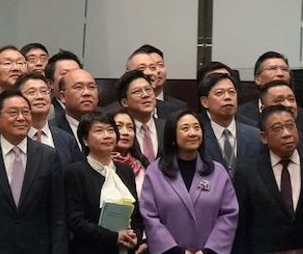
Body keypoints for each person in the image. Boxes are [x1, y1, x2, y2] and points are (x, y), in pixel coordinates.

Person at [0, 88, 67, 254]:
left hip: (38, 247)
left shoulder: (48, 156)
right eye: (13, 113)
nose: (21, 118)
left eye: (25, 112)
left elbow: (58, 214)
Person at [139, 109, 237, 253]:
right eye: (185, 128)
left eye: (197, 128)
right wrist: (176, 251)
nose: (193, 133)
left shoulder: (218, 172)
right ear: (173, 135)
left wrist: (210, 251)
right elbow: (149, 216)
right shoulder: (155, 172)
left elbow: (229, 214)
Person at [233, 105, 303, 252]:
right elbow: (242, 226)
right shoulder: (247, 172)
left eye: (290, 126)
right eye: (278, 128)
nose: (287, 134)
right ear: (264, 137)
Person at [62, 112, 142, 253]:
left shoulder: (125, 170)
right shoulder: (75, 172)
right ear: (85, 140)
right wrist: (114, 237)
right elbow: (75, 220)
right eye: (99, 131)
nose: (107, 136)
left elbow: (135, 215)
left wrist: (136, 237)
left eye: (111, 130)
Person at [198, 72, 262, 175]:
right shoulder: (198, 136)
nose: (227, 97)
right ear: (205, 102)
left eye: (232, 92)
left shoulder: (255, 135)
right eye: (219, 93)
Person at [15, 73, 78, 165]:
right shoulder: (10, 138)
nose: (40, 97)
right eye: (32, 92)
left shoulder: (67, 139)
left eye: (44, 92)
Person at [115, 69, 162, 165]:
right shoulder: (118, 131)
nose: (145, 95)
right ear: (125, 102)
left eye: (148, 90)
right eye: (137, 92)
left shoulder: (167, 127)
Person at [237, 51, 290, 126]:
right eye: (273, 68)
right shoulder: (239, 114)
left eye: (284, 69)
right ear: (257, 79)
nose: (280, 74)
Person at [108, 110, 147, 196]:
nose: (125, 132)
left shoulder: (142, 165)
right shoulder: (101, 165)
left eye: (130, 127)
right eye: (118, 126)